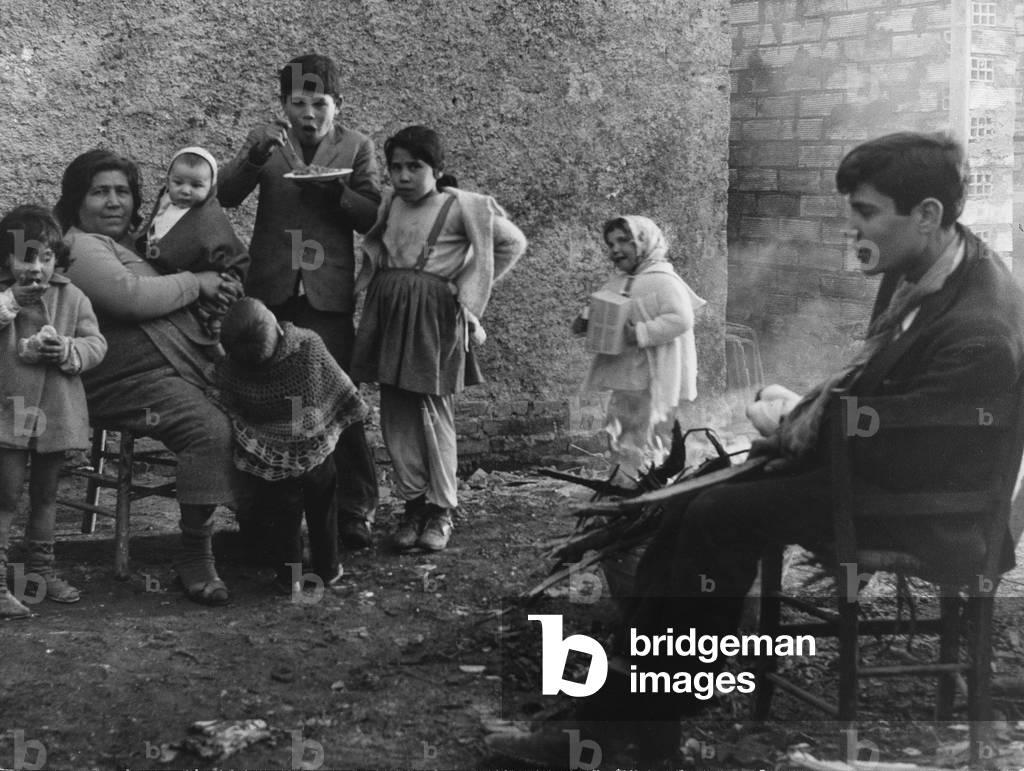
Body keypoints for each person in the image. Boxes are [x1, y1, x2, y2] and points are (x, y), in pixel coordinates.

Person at [487, 132, 1024, 766]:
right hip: (877, 478)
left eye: (866, 212)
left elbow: (921, 451)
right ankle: (638, 716)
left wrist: (798, 426)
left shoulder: (981, 321)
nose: (853, 229)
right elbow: (876, 392)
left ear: (929, 214)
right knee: (683, 509)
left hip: (931, 512)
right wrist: (805, 415)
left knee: (718, 516)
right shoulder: (928, 267)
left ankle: (622, 722)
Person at [56, 149, 242, 607]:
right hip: (123, 381)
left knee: (267, 406)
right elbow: (130, 298)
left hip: (168, 372)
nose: (114, 201)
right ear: (77, 201)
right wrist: (198, 283)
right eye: (100, 192)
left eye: (123, 191)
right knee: (209, 430)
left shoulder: (138, 245)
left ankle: (264, 531)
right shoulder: (79, 245)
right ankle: (195, 554)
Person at [218, 53, 381, 549]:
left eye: (319, 103)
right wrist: (251, 156)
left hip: (326, 295)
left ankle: (356, 509)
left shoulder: (356, 147)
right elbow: (225, 195)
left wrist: (337, 197)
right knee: (268, 406)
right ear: (283, 104)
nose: (308, 114)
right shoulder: (268, 144)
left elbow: (372, 215)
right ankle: (267, 516)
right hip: (272, 294)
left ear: (338, 105)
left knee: (340, 401)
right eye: (298, 103)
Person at [350, 125, 527, 551]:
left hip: (432, 318)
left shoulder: (462, 205)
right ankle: (413, 505)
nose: (404, 176)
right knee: (395, 411)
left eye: (416, 166)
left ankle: (441, 508)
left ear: (438, 168)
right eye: (396, 167)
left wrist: (466, 290)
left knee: (432, 411)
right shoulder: (390, 203)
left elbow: (512, 243)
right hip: (390, 312)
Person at [211, 298, 368, 595]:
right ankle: (329, 568)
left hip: (273, 463)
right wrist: (347, 411)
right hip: (317, 456)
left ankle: (291, 578)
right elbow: (339, 383)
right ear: (274, 322)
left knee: (284, 521)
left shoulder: (233, 368)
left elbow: (224, 396)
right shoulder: (309, 345)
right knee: (324, 511)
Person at [0, 205, 107, 617]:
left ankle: (38, 573)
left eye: (46, 258)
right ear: (6, 259)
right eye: (27, 257)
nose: (37, 268)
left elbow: (96, 344)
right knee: (4, 496)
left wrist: (67, 349)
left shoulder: (72, 296)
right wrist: (9, 302)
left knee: (46, 497)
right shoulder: (3, 295)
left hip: (55, 411)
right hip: (9, 411)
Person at [574, 215, 705, 479]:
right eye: (610, 244)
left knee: (656, 430)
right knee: (623, 428)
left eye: (624, 241)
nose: (615, 249)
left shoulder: (663, 280)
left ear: (645, 242)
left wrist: (641, 333)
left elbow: (681, 319)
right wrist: (585, 322)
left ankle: (662, 479)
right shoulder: (617, 282)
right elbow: (596, 312)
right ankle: (626, 480)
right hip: (626, 375)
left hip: (654, 374)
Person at [136, 146, 250, 338]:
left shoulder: (210, 217)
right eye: (178, 182)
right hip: (162, 285)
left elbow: (230, 254)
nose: (186, 190)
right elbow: (153, 234)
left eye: (196, 185)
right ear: (168, 181)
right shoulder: (165, 203)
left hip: (205, 287)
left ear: (211, 186)